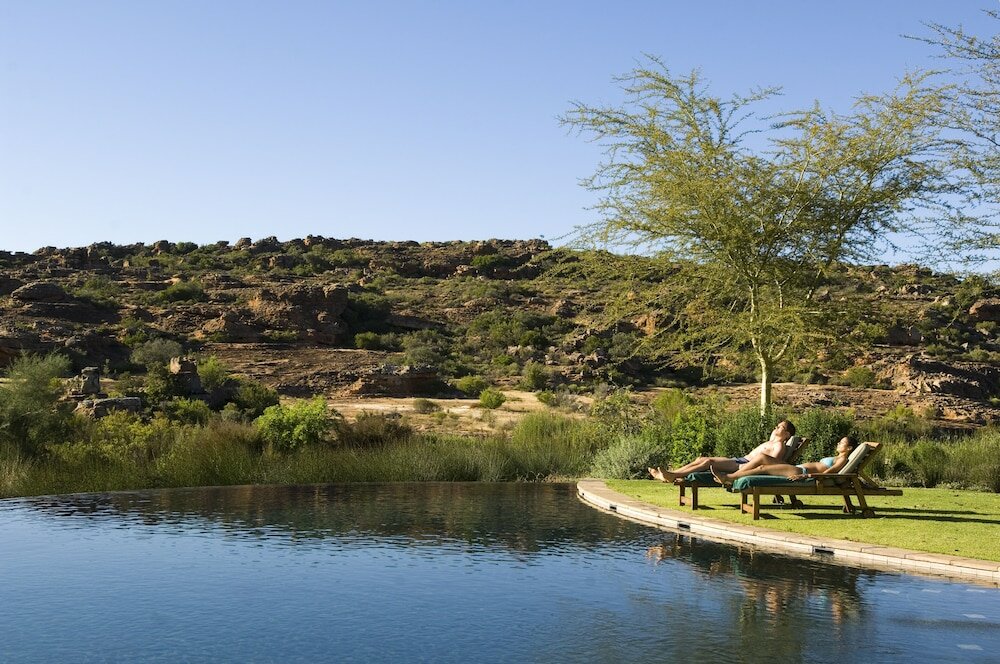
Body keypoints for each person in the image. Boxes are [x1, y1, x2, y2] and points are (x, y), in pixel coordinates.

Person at [648, 420, 796, 483]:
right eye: (776, 426)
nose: (776, 428)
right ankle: (669, 474)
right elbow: (774, 436)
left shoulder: (779, 446)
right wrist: (779, 431)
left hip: (743, 465)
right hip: (740, 460)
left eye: (780, 427)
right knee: (701, 459)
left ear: (787, 434)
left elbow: (773, 464)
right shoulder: (773, 441)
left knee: (708, 462)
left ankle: (673, 475)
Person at [711, 436, 859, 484]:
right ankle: (734, 474)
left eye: (842, 443)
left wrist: (805, 476)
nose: (838, 444)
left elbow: (830, 473)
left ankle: (728, 477)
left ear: (850, 448)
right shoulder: (836, 457)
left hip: (801, 471)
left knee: (762, 468)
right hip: (796, 467)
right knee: (761, 457)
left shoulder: (843, 460)